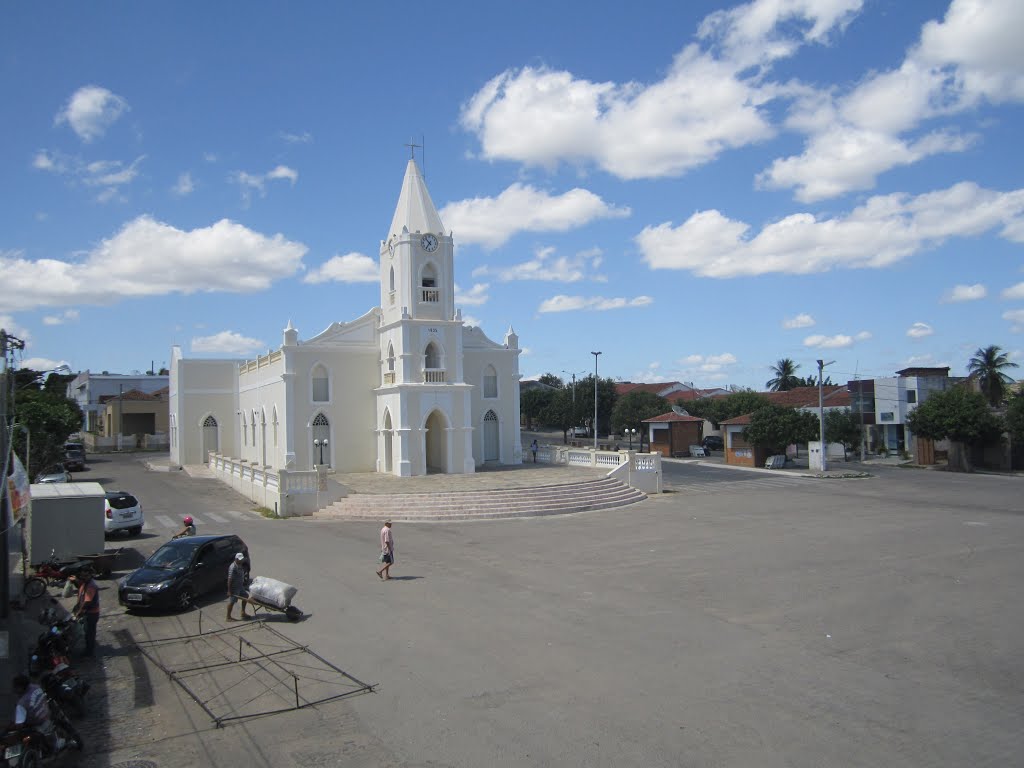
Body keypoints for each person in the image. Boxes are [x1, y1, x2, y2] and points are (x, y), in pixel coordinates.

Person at [9, 674, 59, 748]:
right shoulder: (36, 687)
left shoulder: (22, 703)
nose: (14, 689)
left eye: (15, 687)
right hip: (47, 714)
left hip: (37, 723)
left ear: (21, 687)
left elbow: (19, 724)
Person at [72, 566, 99, 657]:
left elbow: (87, 601)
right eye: (82, 576)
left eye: (86, 576)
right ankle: (88, 649)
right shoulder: (85, 583)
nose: (84, 578)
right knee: (87, 632)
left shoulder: (91, 586)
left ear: (90, 575)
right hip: (88, 613)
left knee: (89, 633)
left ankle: (89, 652)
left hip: (91, 613)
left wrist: (79, 612)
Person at [226, 552, 251, 621]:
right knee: (232, 601)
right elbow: (229, 579)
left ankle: (243, 612)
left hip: (240, 586)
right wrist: (229, 590)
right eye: (240, 559)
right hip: (234, 587)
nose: (241, 560)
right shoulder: (233, 567)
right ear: (236, 559)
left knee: (245, 596)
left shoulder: (240, 564)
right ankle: (228, 617)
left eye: (242, 559)